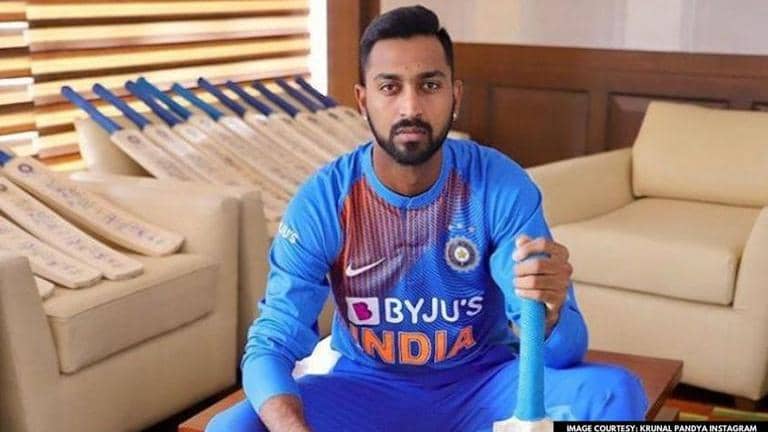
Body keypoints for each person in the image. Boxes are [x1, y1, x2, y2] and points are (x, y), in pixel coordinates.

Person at [207, 6, 647, 432]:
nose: (410, 107)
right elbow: (271, 342)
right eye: (389, 87)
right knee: (233, 426)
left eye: (430, 85)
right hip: (365, 391)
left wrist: (549, 313)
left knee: (615, 393)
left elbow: (563, 352)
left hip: (483, 387)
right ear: (363, 100)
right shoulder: (325, 199)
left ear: (455, 96)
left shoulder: (500, 185)